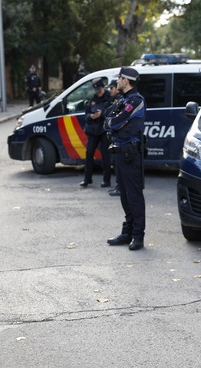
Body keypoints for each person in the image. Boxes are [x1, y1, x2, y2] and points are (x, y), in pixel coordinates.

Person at [104, 67, 147, 251]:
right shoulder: (122, 99)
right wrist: (111, 122)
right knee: (123, 194)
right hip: (119, 151)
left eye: (119, 78)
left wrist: (112, 123)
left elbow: (115, 122)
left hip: (130, 153)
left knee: (134, 195)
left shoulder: (136, 100)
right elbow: (107, 117)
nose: (117, 81)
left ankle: (138, 236)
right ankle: (127, 232)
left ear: (126, 80)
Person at [80, 78, 112, 188]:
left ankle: (106, 180)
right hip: (93, 130)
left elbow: (112, 112)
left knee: (105, 154)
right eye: (96, 90)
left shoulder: (109, 97)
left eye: (99, 90)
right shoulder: (92, 99)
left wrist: (101, 114)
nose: (98, 92)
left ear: (103, 87)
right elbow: (86, 115)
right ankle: (87, 179)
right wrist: (91, 116)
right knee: (89, 153)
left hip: (104, 129)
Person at [105, 79, 122, 197]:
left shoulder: (120, 100)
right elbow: (107, 112)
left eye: (111, 88)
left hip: (120, 138)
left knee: (119, 164)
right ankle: (118, 186)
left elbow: (109, 113)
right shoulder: (113, 100)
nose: (110, 90)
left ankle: (120, 187)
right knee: (115, 163)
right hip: (114, 137)